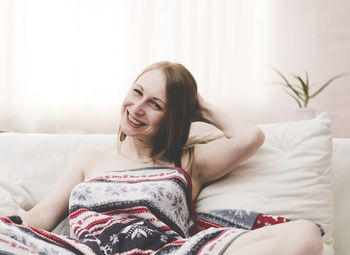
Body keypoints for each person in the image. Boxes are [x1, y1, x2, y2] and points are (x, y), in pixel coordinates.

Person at [0, 61, 323, 255]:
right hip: (92, 250)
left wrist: (198, 105)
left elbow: (249, 137)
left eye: (156, 104)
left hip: (170, 251)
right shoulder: (89, 157)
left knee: (304, 234)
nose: (137, 108)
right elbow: (41, 219)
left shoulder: (189, 162)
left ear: (175, 117)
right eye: (137, 92)